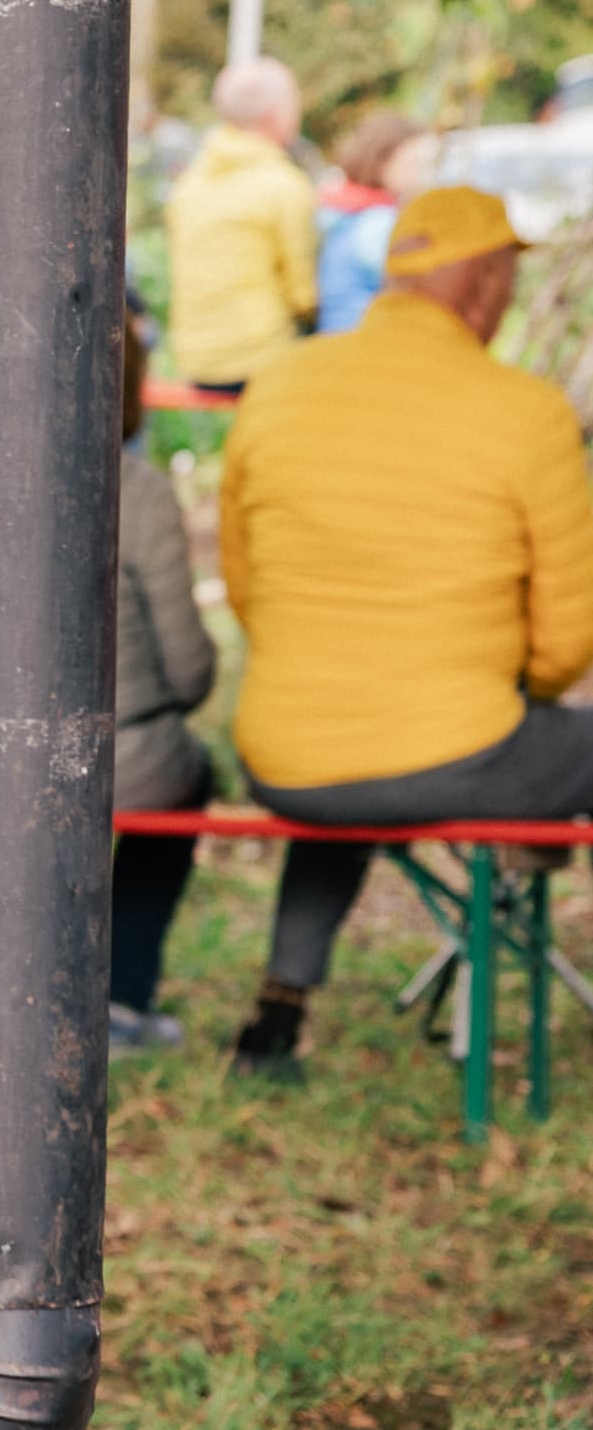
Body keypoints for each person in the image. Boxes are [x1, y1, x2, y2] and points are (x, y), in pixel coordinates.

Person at [219, 185, 593, 1078]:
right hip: (450, 749)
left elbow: (244, 585)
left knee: (355, 764)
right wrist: (516, 695)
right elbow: (568, 639)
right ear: (484, 286)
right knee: (461, 750)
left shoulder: (279, 384)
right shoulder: (526, 411)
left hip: (287, 761)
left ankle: (277, 1012)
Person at [109, 305, 217, 1051]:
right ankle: (120, 996)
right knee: (190, 773)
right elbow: (187, 666)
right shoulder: (137, 488)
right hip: (124, 756)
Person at [163, 55, 319, 391]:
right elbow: (303, 294)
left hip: (196, 361)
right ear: (273, 116)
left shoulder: (191, 183)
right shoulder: (284, 184)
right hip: (259, 361)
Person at [314, 108, 433, 334]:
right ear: (382, 160)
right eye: (414, 162)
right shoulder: (378, 222)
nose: (421, 174)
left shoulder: (341, 208)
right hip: (363, 343)